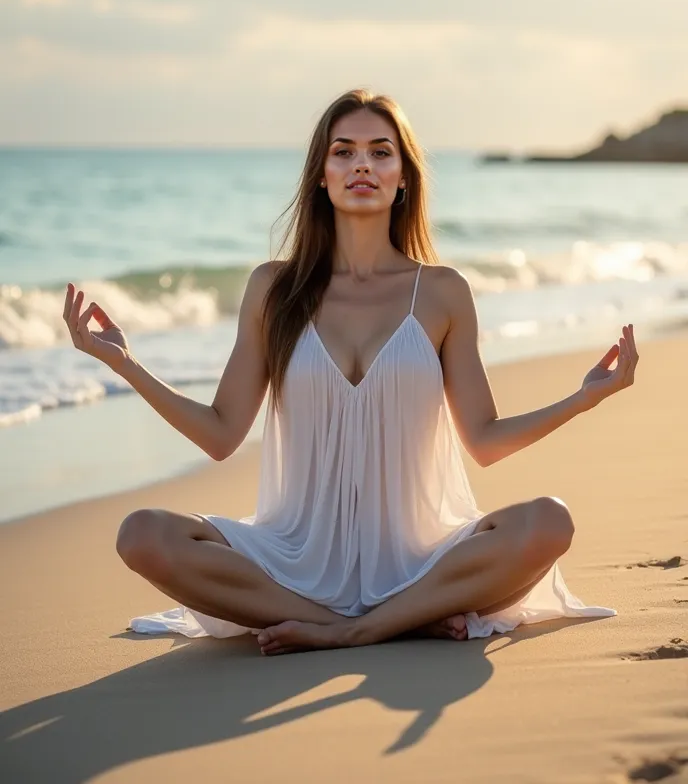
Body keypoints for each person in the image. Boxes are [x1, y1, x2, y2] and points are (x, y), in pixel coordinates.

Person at [63, 89, 637, 657]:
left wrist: (582, 399)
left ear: (404, 176)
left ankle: (357, 629)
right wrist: (124, 363)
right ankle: (385, 622)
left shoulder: (442, 293)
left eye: (380, 151)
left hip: (422, 561)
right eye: (344, 151)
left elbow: (483, 440)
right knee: (142, 533)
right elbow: (220, 433)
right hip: (291, 560)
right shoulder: (273, 289)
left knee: (548, 523)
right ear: (321, 174)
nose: (362, 163)